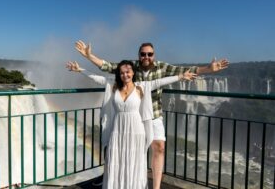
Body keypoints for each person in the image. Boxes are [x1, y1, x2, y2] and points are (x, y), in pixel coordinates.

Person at [74, 40, 229, 189]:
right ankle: (121, 180)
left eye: (149, 54)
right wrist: (88, 56)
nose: (146, 57)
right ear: (139, 55)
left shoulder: (161, 67)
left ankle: (155, 187)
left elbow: (183, 72)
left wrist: (208, 69)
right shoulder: (131, 67)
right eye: (143, 54)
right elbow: (106, 66)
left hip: (152, 114)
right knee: (127, 151)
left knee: (159, 147)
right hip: (131, 117)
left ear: (153, 55)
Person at [66, 60, 197, 189]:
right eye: (122, 73)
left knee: (134, 161)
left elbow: (160, 81)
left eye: (128, 72)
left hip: (136, 130)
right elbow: (97, 79)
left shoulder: (142, 86)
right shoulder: (114, 86)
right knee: (116, 160)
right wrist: (80, 70)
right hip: (117, 130)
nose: (125, 75)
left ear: (133, 72)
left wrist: (180, 77)